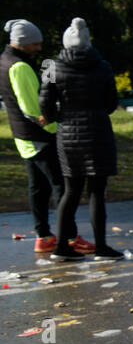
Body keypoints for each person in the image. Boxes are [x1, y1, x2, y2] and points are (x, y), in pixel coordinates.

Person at [38, 18, 121, 261]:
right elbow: (111, 103)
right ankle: (102, 247)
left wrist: (55, 117)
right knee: (96, 192)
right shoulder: (103, 66)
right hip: (98, 132)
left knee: (70, 190)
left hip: (68, 133)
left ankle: (62, 246)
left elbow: (45, 101)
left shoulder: (52, 66)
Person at [2, 19, 83, 257]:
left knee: (37, 188)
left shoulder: (4, 61)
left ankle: (44, 236)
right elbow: (31, 108)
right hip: (38, 137)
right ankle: (69, 238)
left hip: (22, 137)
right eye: (35, 44)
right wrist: (54, 127)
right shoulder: (20, 67)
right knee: (61, 186)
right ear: (23, 43)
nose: (39, 48)